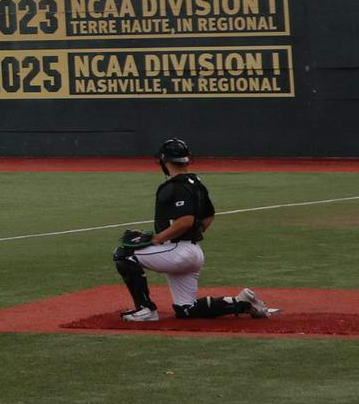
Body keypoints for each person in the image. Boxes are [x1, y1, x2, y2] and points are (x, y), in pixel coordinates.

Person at [113, 138, 279, 323]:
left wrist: (158, 238)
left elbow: (185, 220)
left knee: (123, 254)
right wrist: (192, 232)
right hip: (193, 252)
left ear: (164, 160)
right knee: (186, 310)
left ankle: (145, 309)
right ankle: (241, 303)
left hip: (178, 253)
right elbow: (208, 216)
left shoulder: (175, 186)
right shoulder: (196, 183)